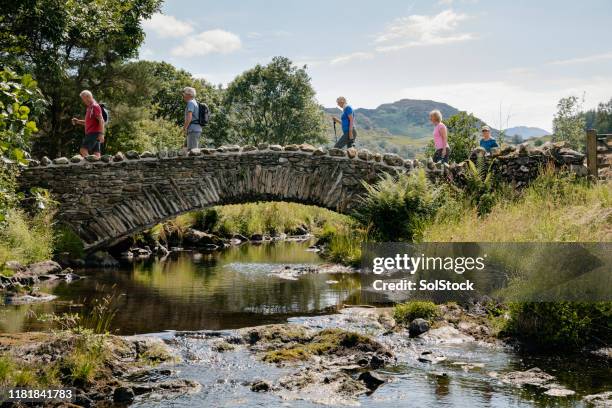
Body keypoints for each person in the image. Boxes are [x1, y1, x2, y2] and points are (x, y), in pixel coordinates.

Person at [71, 90, 105, 158]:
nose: (83, 101)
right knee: (97, 154)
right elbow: (88, 123)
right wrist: (78, 121)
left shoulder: (95, 106)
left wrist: (101, 134)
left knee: (83, 150)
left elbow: (101, 120)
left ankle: (90, 166)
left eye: (83, 99)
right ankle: (97, 167)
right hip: (93, 133)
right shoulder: (90, 107)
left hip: (93, 133)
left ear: (88, 97)